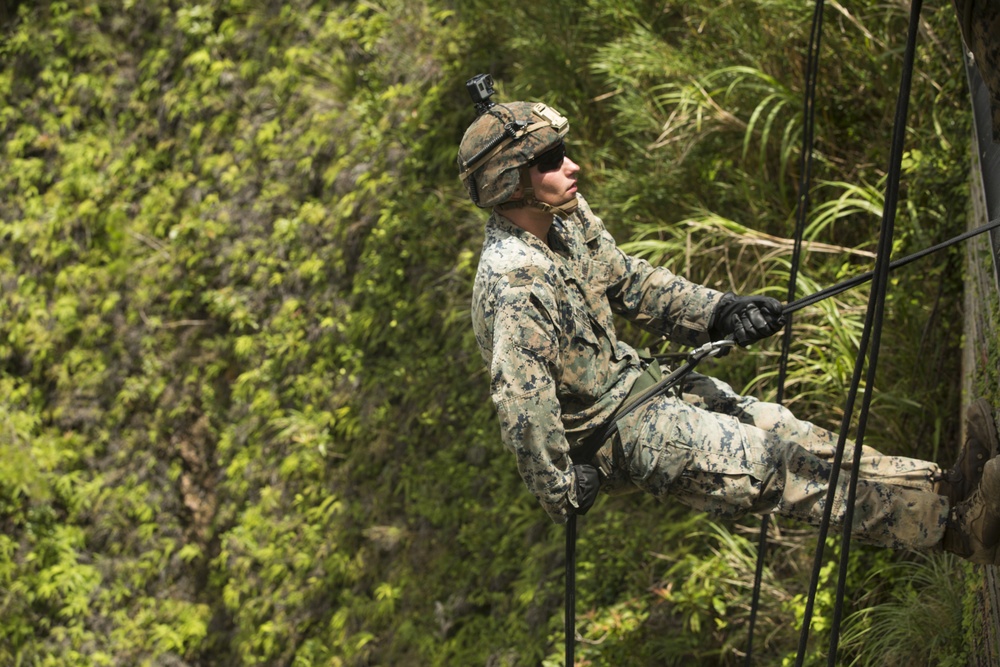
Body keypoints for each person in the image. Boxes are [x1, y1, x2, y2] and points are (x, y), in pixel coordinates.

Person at [458, 77, 1000, 565]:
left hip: (642, 386)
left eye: (563, 152)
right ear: (510, 183)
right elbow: (521, 403)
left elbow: (630, 282)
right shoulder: (515, 283)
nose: (571, 167)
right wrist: (561, 492)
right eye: (550, 160)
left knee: (792, 435)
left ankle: (944, 488)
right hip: (618, 433)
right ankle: (957, 530)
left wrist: (721, 311)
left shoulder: (566, 217)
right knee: (776, 469)